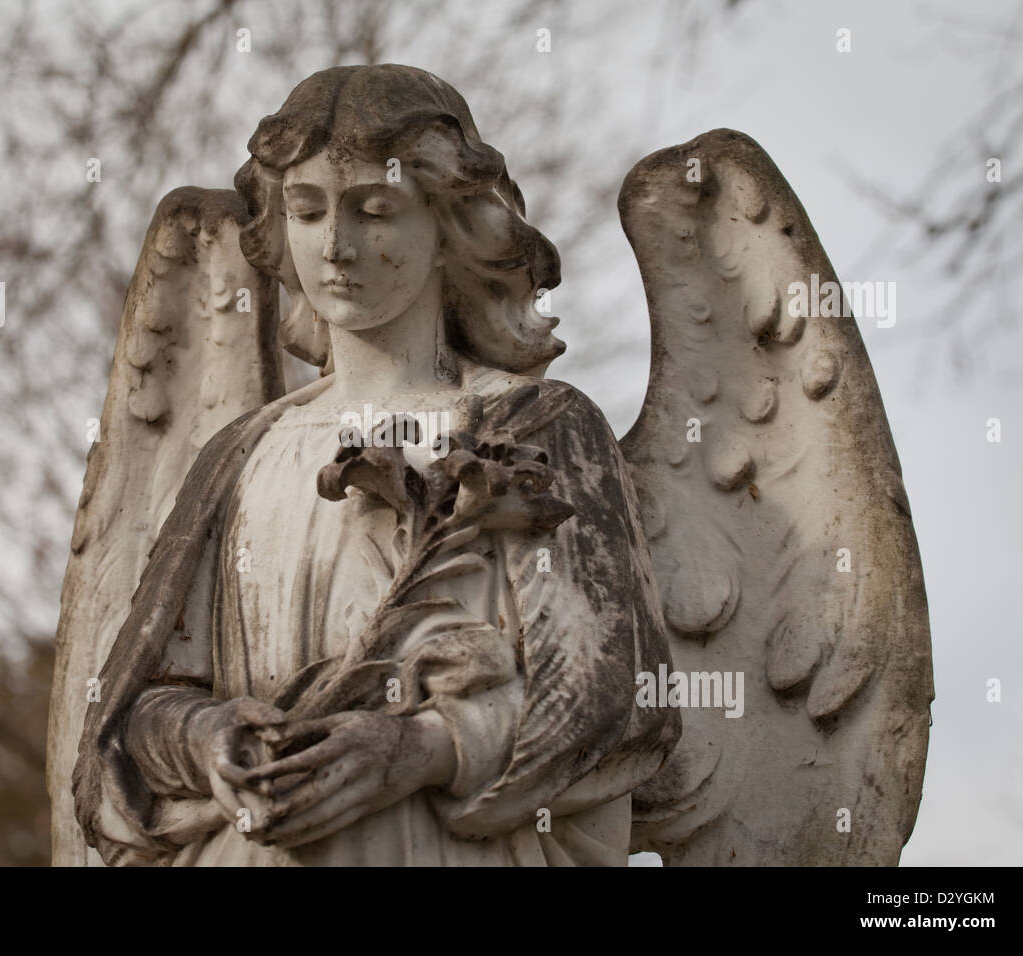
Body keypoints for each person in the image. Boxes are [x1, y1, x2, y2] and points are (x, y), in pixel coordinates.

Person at [73, 64, 678, 866]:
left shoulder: (533, 425)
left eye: (376, 209)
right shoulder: (240, 456)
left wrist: (425, 747)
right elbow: (131, 715)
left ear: (449, 227)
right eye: (308, 210)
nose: (336, 246)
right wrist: (209, 738)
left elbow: (619, 700)